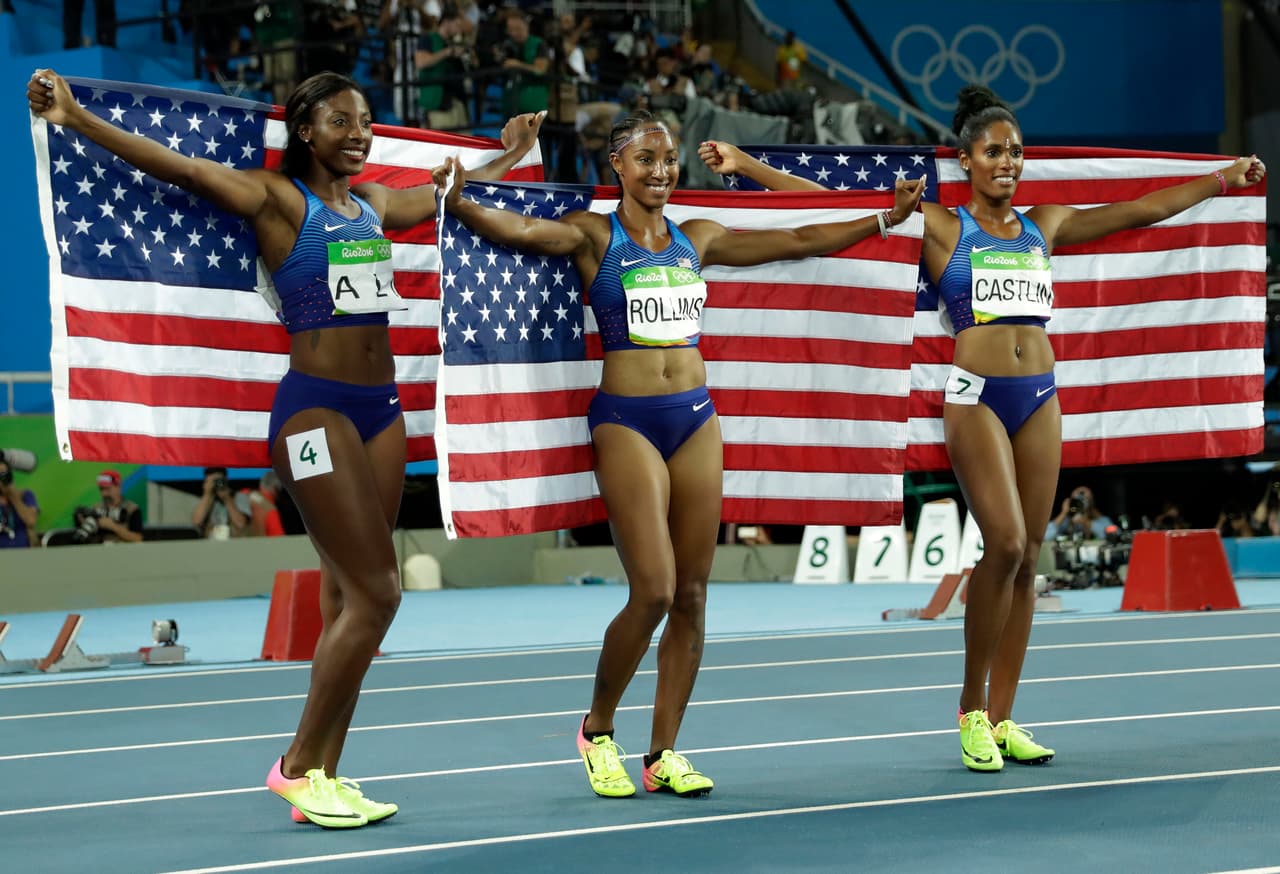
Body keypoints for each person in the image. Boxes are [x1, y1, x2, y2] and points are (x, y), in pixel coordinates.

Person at [28, 67, 543, 827]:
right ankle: (295, 765)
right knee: (380, 595)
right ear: (306, 132)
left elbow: (436, 196)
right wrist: (75, 118)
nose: (360, 132)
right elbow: (183, 168)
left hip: (382, 411)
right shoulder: (276, 200)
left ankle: (326, 777)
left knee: (346, 596)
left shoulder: (368, 204)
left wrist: (504, 156)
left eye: (366, 120)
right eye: (341, 121)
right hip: (315, 416)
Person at [699, 86, 1266, 774]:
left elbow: (1139, 210)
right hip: (977, 400)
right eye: (995, 150)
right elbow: (841, 207)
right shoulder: (941, 227)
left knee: (1030, 555)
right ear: (966, 159)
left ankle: (1004, 718)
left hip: (1041, 398)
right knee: (1001, 543)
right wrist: (748, 166)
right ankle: (970, 710)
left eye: (1017, 151)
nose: (1009, 161)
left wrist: (1219, 178)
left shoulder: (1044, 224)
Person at [433, 110, 924, 799]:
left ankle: (664, 753)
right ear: (619, 169)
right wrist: (457, 201)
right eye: (647, 160)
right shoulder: (593, 235)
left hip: (695, 419)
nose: (661, 171)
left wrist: (881, 222)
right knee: (655, 589)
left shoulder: (699, 239)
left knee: (692, 594)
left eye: (668, 160)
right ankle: (597, 730)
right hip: (626, 422)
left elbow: (798, 238)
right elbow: (516, 229)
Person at [192, 467, 250, 539]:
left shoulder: (239, 497)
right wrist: (207, 495)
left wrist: (227, 499)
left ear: (226, 480)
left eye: (218, 481)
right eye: (212, 481)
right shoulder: (203, 499)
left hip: (233, 542)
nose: (215, 484)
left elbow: (241, 524)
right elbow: (196, 522)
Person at [88, 470, 144, 544]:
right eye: (101, 489)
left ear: (118, 487)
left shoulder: (132, 509)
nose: (104, 494)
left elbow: (138, 538)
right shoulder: (95, 508)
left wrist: (113, 526)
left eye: (108, 489)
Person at [1045, 485, 1113, 540]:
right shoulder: (1066, 522)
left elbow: (1113, 536)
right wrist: (1063, 513)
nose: (1080, 505)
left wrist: (1086, 522)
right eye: (1077, 501)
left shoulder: (1101, 520)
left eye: (1085, 500)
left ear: (1091, 503)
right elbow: (1045, 537)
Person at [0, 455, 39, 548]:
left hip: (22, 553)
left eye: (4, 475)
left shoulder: (26, 495)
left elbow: (31, 521)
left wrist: (12, 494)